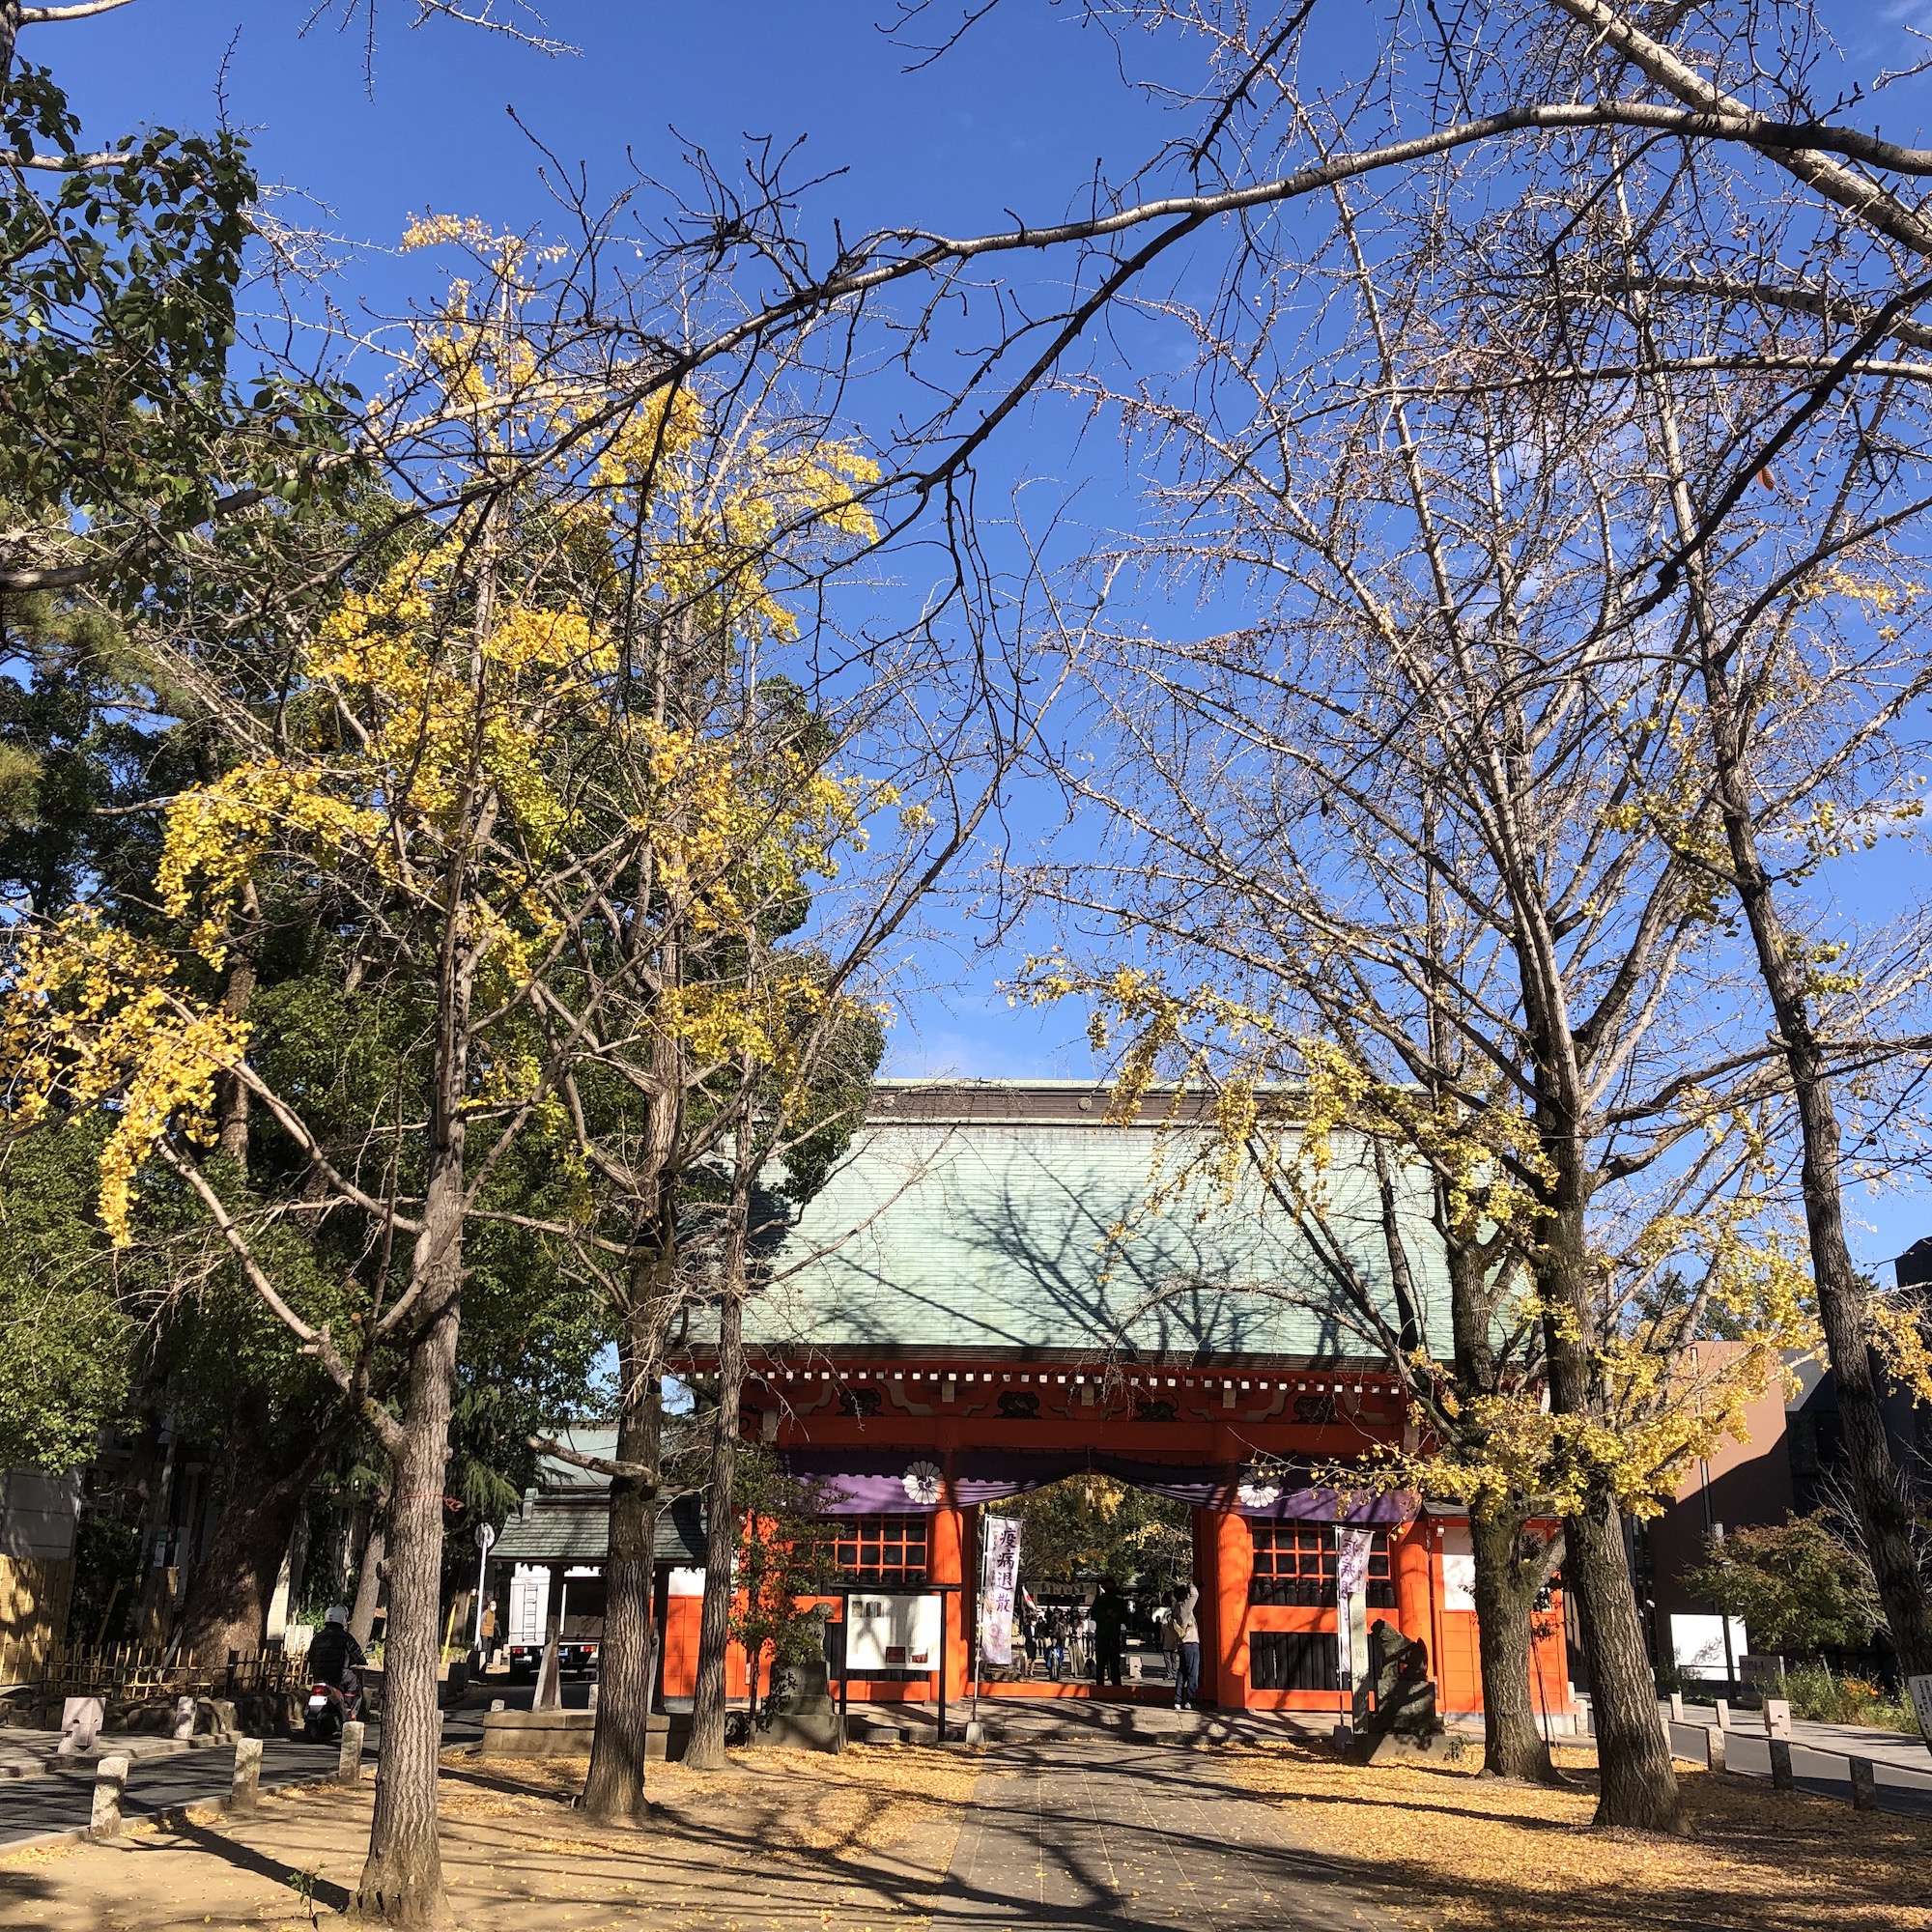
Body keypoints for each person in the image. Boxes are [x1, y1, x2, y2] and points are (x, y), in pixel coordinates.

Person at [308, 1604, 366, 1708]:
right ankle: (348, 1708)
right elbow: (357, 1654)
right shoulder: (346, 1638)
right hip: (338, 1676)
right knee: (353, 1679)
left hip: (319, 1677)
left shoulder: (317, 1637)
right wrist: (363, 1660)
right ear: (342, 1619)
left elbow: (310, 1657)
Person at [1170, 1582, 1201, 1711]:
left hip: (1182, 1644)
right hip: (1191, 1643)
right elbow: (1195, 1594)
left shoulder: (1175, 1608)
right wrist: (1190, 1584)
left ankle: (1178, 1700)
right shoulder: (1186, 1607)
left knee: (1182, 1673)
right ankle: (1190, 1700)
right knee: (1193, 1673)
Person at [1093, 1578, 1127, 1688]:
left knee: (1114, 1663)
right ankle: (1100, 1685)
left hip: (1114, 1635)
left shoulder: (1118, 1602)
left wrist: (1116, 1616)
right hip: (1102, 1635)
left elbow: (1125, 1618)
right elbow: (1094, 1615)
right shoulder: (1099, 1601)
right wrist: (1105, 1614)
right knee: (1101, 1663)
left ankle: (1116, 1685)